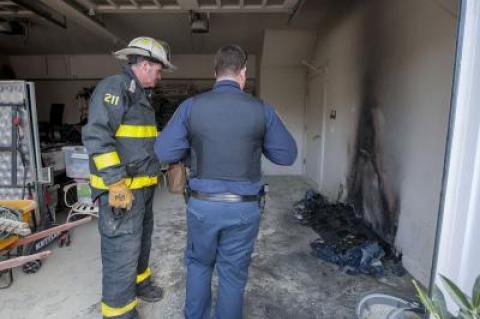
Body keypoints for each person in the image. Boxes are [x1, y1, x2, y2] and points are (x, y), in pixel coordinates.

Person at [155, 44, 297, 319]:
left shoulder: (191, 107)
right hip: (244, 209)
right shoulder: (261, 109)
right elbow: (287, 155)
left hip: (202, 206)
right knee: (232, 274)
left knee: (199, 265)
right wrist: (258, 140)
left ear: (214, 72)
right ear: (243, 73)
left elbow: (163, 152)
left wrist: (190, 145)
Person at [82, 36, 176, 319]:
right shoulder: (115, 88)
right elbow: (97, 137)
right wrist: (115, 182)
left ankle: (140, 282)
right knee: (121, 250)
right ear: (145, 65)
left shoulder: (141, 95)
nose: (160, 76)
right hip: (121, 190)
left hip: (143, 189)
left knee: (142, 241)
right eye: (159, 70)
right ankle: (119, 311)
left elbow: (140, 143)